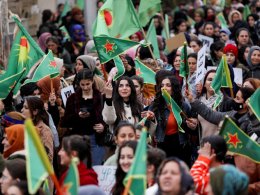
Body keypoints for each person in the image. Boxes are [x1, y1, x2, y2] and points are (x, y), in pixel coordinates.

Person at [61, 68, 106, 165]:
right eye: (82, 85)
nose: (85, 87)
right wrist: (78, 116)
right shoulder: (72, 98)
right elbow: (65, 121)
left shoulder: (100, 97)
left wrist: (103, 126)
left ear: (92, 81)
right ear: (79, 84)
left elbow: (106, 117)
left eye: (88, 84)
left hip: (95, 138)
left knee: (95, 169)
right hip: (77, 139)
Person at [149, 76, 195, 166]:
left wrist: (192, 124)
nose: (164, 88)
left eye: (168, 85)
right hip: (162, 145)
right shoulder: (156, 105)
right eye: (162, 85)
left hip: (180, 145)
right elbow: (149, 129)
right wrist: (151, 119)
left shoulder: (183, 105)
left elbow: (191, 126)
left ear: (174, 88)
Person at [21, 96, 54, 163]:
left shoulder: (45, 130)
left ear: (35, 111)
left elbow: (49, 158)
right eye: (23, 107)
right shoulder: (24, 126)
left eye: (26, 108)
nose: (22, 110)